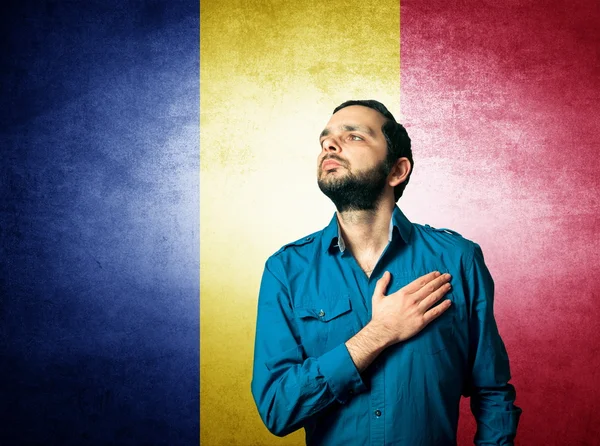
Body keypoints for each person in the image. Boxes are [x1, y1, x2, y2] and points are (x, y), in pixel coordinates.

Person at [250, 99, 522, 445]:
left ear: (397, 170)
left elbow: (493, 392)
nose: (330, 145)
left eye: (355, 137)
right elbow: (278, 410)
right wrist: (379, 333)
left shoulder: (458, 260)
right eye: (325, 140)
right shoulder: (286, 270)